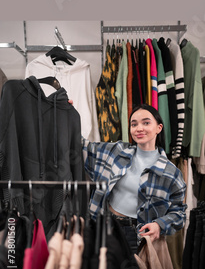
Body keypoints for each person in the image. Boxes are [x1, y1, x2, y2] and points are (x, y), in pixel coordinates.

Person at [73, 101, 187, 254]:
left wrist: (159, 225)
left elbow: (179, 213)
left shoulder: (171, 172)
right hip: (104, 226)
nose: (139, 128)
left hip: (137, 235)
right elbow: (82, 146)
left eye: (146, 123)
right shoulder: (117, 151)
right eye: (134, 124)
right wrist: (68, 111)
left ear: (159, 128)